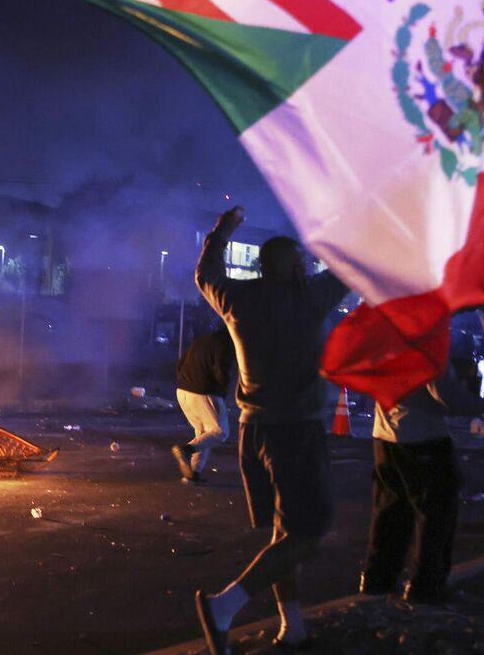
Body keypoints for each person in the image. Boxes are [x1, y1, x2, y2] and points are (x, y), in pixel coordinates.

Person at [192, 207, 350, 652]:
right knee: (308, 534)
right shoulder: (310, 298)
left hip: (253, 431)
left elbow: (205, 274)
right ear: (294, 267)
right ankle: (225, 606)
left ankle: (292, 626)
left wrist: (222, 231)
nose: (307, 268)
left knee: (285, 535)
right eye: (302, 262)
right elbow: (351, 266)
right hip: (295, 433)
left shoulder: (237, 300)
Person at [359, 374, 469, 604]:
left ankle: (377, 580)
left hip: (384, 436)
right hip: (424, 438)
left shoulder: (382, 351)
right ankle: (426, 586)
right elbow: (447, 397)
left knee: (389, 512)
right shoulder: (427, 351)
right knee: (435, 514)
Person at [172, 327, 235, 484]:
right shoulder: (224, 344)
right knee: (220, 432)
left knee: (203, 433)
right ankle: (186, 450)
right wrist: (222, 391)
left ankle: (193, 473)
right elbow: (221, 370)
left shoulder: (201, 340)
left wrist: (185, 381)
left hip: (183, 390)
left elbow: (180, 364)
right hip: (204, 392)